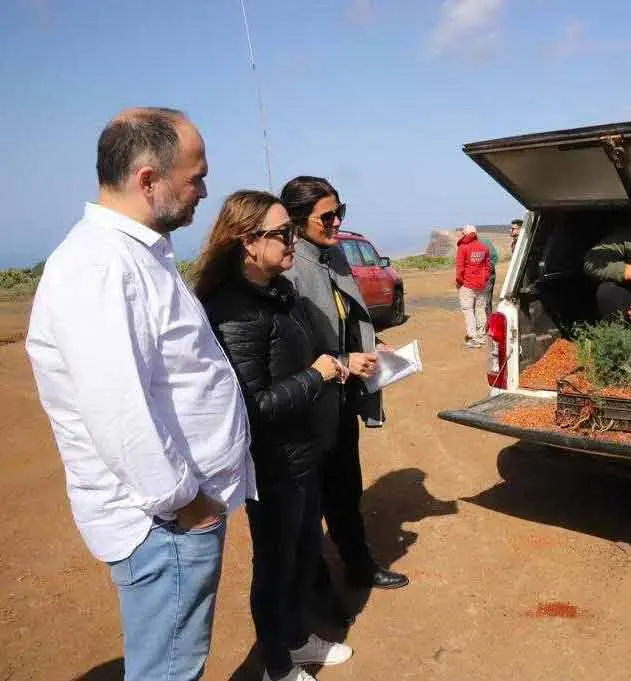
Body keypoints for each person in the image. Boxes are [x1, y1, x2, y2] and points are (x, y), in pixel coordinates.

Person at [25, 108, 252, 681]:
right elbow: (118, 411)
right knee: (170, 670)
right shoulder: (101, 266)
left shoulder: (136, 253)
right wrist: (185, 503)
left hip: (174, 516)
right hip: (164, 522)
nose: (205, 191)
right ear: (149, 179)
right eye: (196, 176)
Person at [194, 191, 353, 681]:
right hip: (273, 464)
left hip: (303, 453)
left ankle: (297, 639)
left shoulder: (279, 292)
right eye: (283, 233)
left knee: (305, 554)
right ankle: (277, 667)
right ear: (247, 242)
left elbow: (293, 364)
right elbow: (253, 405)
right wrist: (318, 376)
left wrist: (331, 367)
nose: (292, 241)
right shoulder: (232, 311)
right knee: (276, 566)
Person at [279, 176, 410, 600]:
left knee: (346, 490)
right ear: (298, 221)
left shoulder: (332, 258)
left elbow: (348, 319)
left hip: (341, 400)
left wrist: (371, 346)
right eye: (327, 216)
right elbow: (287, 352)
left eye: (340, 212)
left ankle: (358, 566)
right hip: (308, 407)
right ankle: (317, 589)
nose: (337, 223)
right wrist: (341, 362)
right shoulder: (289, 266)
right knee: (310, 505)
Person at [455, 224, 493, 348]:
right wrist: (485, 278)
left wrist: (460, 282)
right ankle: (482, 335)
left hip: (467, 284)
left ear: (466, 234)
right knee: (480, 309)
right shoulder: (483, 247)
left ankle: (472, 336)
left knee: (468, 310)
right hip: (481, 284)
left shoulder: (463, 247)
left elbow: (460, 267)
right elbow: (488, 266)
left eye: (463, 233)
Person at [480, 232, 500, 320]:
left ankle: (489, 322)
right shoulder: (468, 245)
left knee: (486, 301)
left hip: (488, 277)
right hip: (476, 278)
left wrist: (486, 269)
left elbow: (495, 258)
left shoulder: (485, 242)